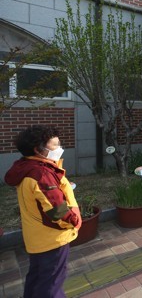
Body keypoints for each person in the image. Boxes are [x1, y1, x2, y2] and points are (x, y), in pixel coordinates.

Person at [4, 125, 82, 298]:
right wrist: (74, 221)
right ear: (38, 150)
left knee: (38, 277)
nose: (60, 149)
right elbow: (56, 209)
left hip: (37, 237)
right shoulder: (41, 174)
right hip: (52, 238)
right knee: (51, 284)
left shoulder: (27, 168)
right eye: (55, 145)